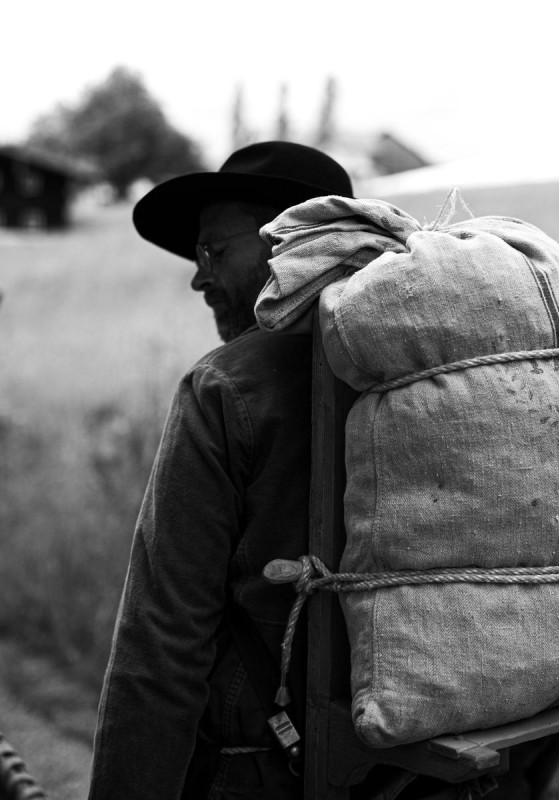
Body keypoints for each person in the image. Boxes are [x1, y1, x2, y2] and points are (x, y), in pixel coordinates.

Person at [87, 141, 354, 800]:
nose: (198, 278)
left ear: (284, 243)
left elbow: (162, 645)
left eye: (213, 252)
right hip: (407, 767)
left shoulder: (226, 388)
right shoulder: (417, 367)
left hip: (262, 772)